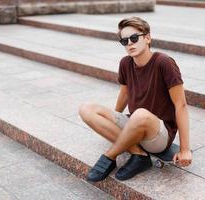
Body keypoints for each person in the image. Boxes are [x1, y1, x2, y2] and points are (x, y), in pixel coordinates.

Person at [79, 17, 192, 182]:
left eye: (134, 38)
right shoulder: (125, 63)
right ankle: (139, 155)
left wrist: (185, 149)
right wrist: (113, 120)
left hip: (159, 134)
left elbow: (181, 105)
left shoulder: (164, 63)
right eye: (124, 41)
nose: (129, 43)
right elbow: (124, 94)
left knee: (140, 114)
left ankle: (109, 156)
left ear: (147, 38)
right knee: (86, 108)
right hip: (135, 123)